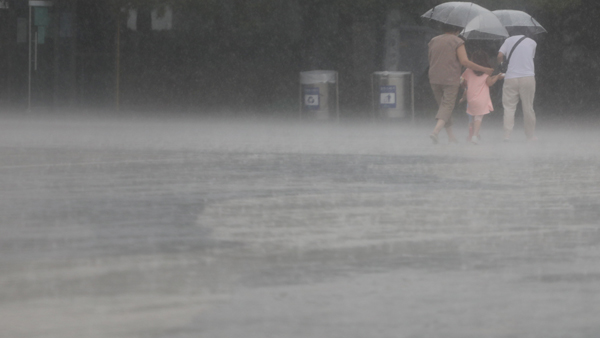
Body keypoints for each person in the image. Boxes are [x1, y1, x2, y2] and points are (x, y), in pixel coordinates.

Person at [428, 24, 494, 144]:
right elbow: (465, 61)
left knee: (443, 107)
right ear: (457, 30)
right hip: (450, 79)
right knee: (447, 107)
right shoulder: (458, 41)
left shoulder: (433, 40)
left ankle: (451, 137)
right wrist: (484, 69)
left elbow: (430, 58)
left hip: (434, 78)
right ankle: (435, 132)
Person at [497, 32, 538, 141]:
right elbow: (530, 57)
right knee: (528, 108)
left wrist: (501, 66)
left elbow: (500, 55)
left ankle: (507, 135)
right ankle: (530, 135)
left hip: (510, 78)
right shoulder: (532, 42)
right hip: (527, 77)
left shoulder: (508, 40)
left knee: (509, 107)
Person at [460, 50, 505, 144]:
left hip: (471, 98)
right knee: (478, 118)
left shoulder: (468, 70)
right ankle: (475, 136)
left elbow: (464, 83)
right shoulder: (486, 72)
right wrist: (497, 77)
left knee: (472, 117)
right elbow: (489, 83)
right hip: (481, 98)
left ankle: (473, 134)